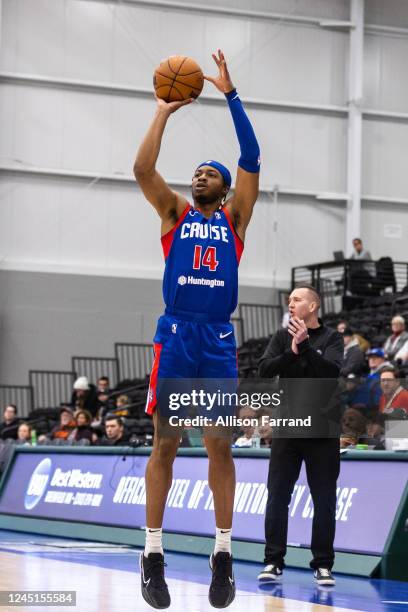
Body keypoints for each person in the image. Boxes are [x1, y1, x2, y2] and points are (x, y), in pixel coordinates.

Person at [134, 49, 260, 609]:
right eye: (196, 173)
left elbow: (252, 154)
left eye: (208, 173)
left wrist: (231, 95)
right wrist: (163, 110)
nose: (198, 176)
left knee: (219, 449)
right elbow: (142, 170)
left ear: (227, 190)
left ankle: (224, 553)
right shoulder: (173, 215)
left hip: (218, 339)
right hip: (177, 335)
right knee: (165, 445)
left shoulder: (234, 220)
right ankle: (153, 554)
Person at [258, 285, 343, 587]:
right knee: (278, 496)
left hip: (322, 431)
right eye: (289, 300)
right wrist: (292, 350)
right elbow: (265, 370)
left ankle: (322, 565)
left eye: (297, 300)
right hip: (288, 427)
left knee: (324, 500)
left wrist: (305, 347)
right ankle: (273, 561)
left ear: (313, 305)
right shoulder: (281, 338)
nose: (290, 304)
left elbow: (330, 373)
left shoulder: (332, 338)